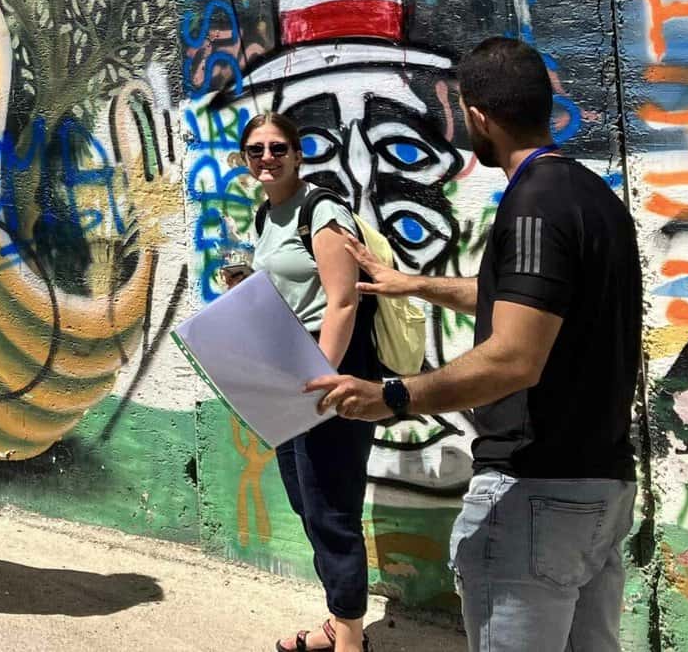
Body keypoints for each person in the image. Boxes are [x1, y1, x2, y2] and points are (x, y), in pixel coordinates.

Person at [307, 38, 641, 652]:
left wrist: (395, 395)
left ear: (478, 116)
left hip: (536, 491)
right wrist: (415, 284)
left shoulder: (533, 206)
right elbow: (525, 301)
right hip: (602, 489)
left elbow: (515, 356)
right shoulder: (592, 197)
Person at [241, 112, 377, 652]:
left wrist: (323, 380)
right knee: (306, 502)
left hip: (331, 374)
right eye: (256, 150)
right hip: (290, 376)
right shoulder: (267, 216)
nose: (267, 158)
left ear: (299, 155)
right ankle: (340, 624)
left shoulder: (321, 211)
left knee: (332, 506)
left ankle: (349, 640)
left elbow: (343, 301)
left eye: (278, 148)